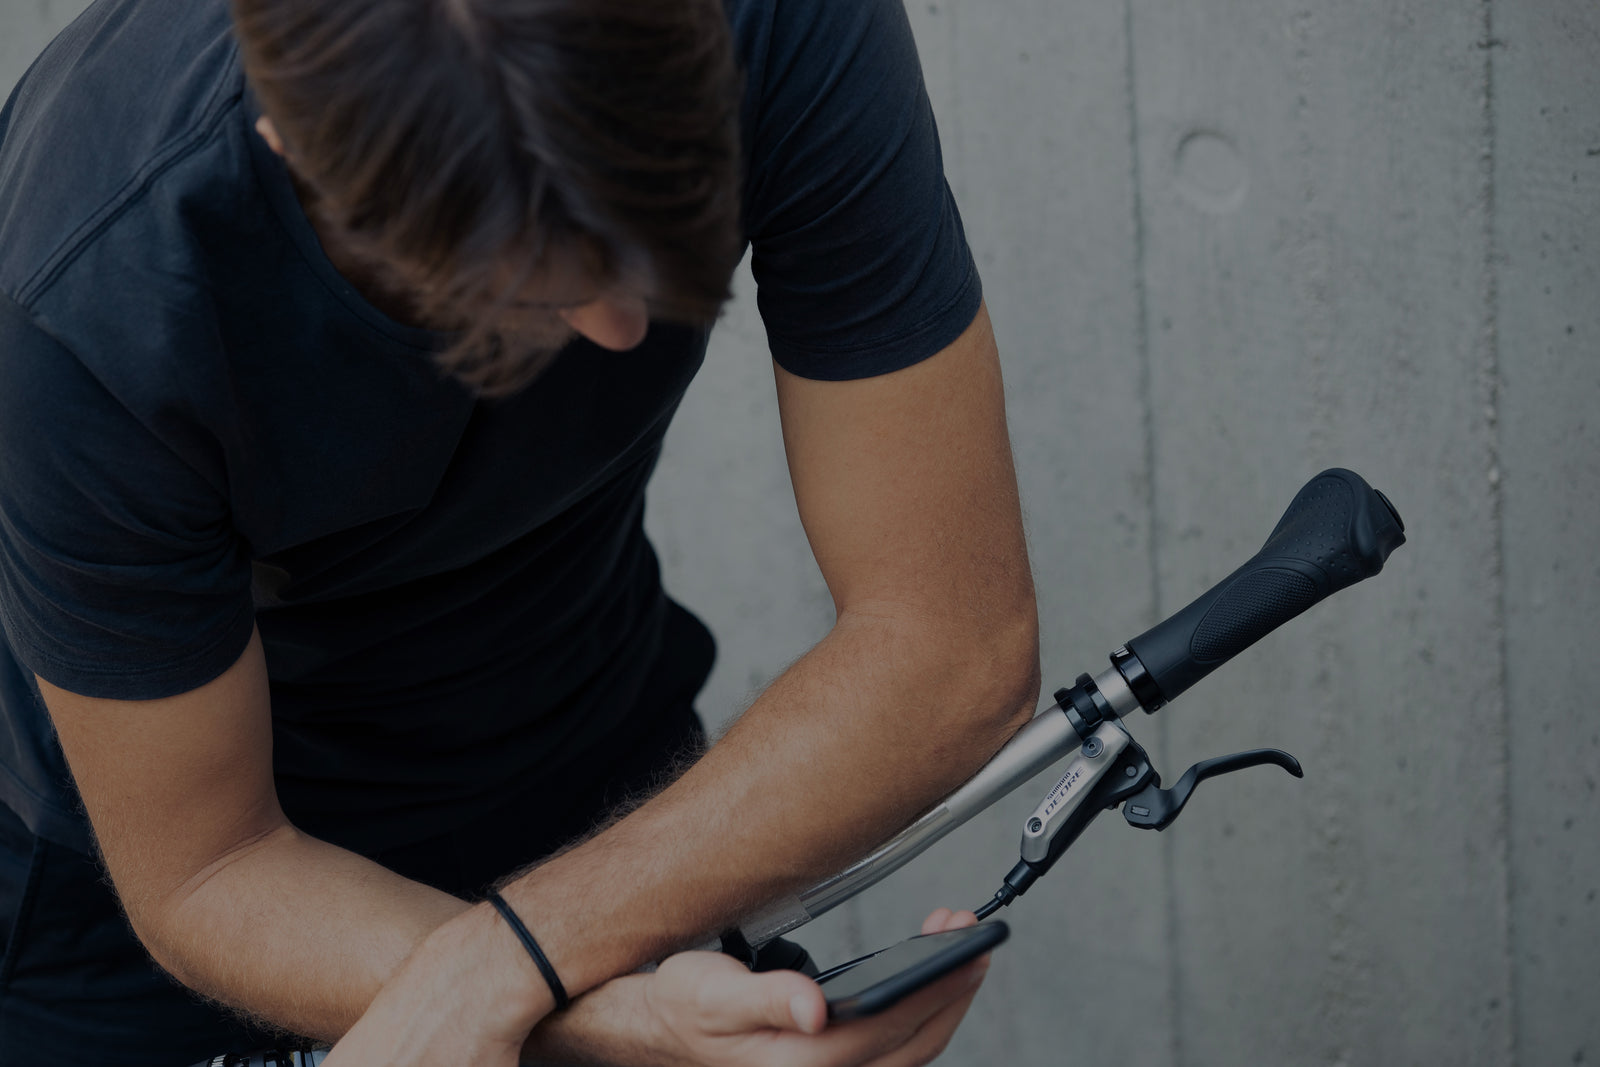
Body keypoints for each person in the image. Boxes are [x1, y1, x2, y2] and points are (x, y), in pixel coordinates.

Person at [0, 0, 1041, 1062]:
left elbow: (950, 642)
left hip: (596, 781)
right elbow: (210, 868)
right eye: (525, 270)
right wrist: (585, 1010)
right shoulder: (88, 291)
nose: (618, 325)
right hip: (177, 905)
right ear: (303, 150)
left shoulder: (778, 19)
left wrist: (518, 963)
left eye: (639, 226)